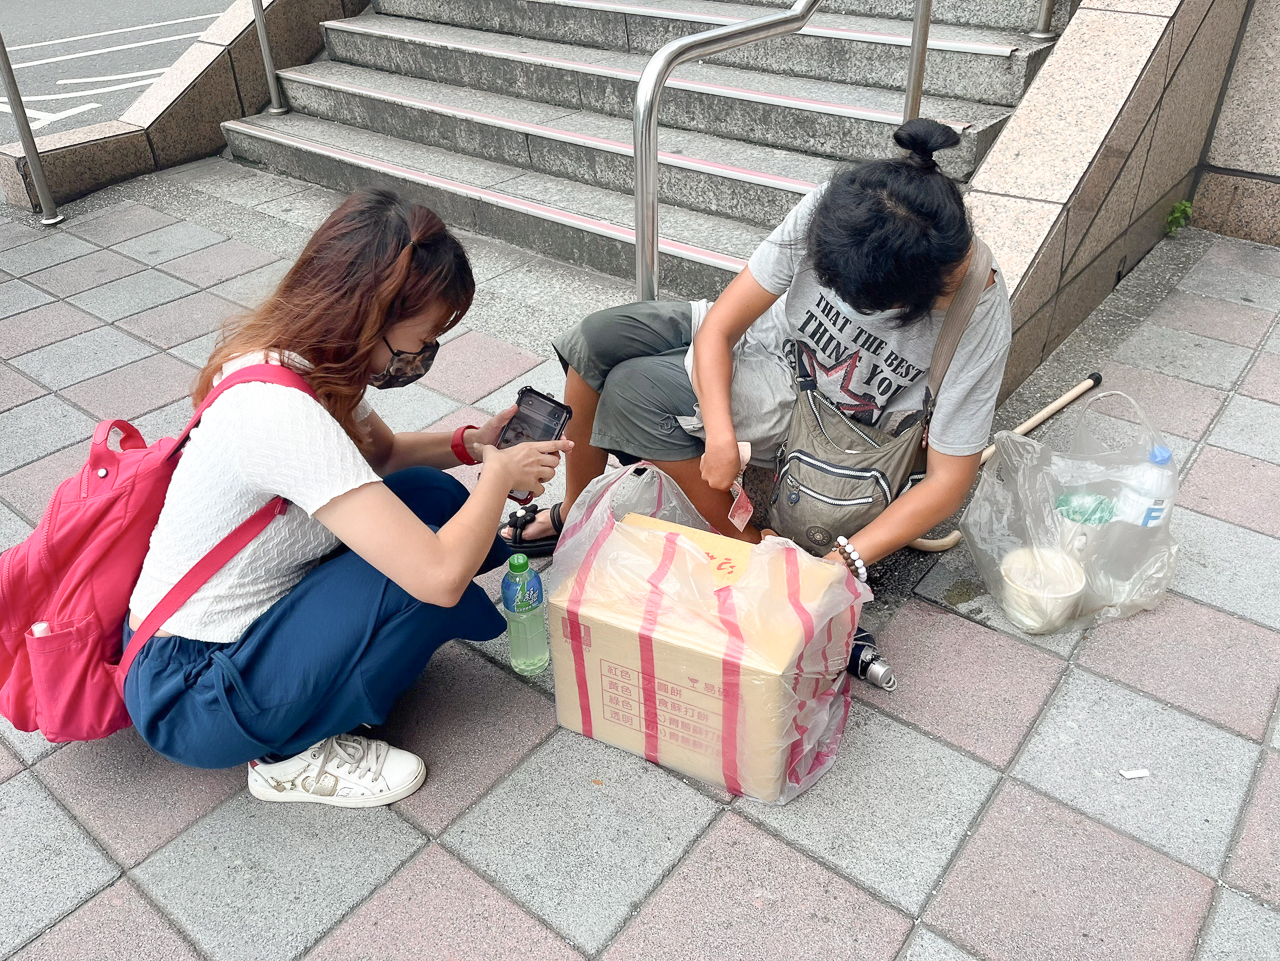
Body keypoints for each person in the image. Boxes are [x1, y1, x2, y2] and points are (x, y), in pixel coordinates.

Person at [123, 189, 571, 808]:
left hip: (237, 630)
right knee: (422, 585)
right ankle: (285, 755)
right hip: (193, 690)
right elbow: (439, 576)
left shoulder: (304, 361)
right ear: (364, 316)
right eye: (421, 338)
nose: (424, 355)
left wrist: (474, 444)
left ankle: (322, 672)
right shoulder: (278, 409)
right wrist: (498, 479)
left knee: (428, 497)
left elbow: (382, 456)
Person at [504, 119, 1011, 583]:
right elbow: (720, 327)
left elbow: (948, 480)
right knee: (597, 338)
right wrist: (720, 438)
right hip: (771, 344)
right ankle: (574, 514)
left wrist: (839, 565)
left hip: (828, 413)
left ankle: (748, 548)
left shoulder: (975, 307)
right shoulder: (843, 210)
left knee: (634, 391)